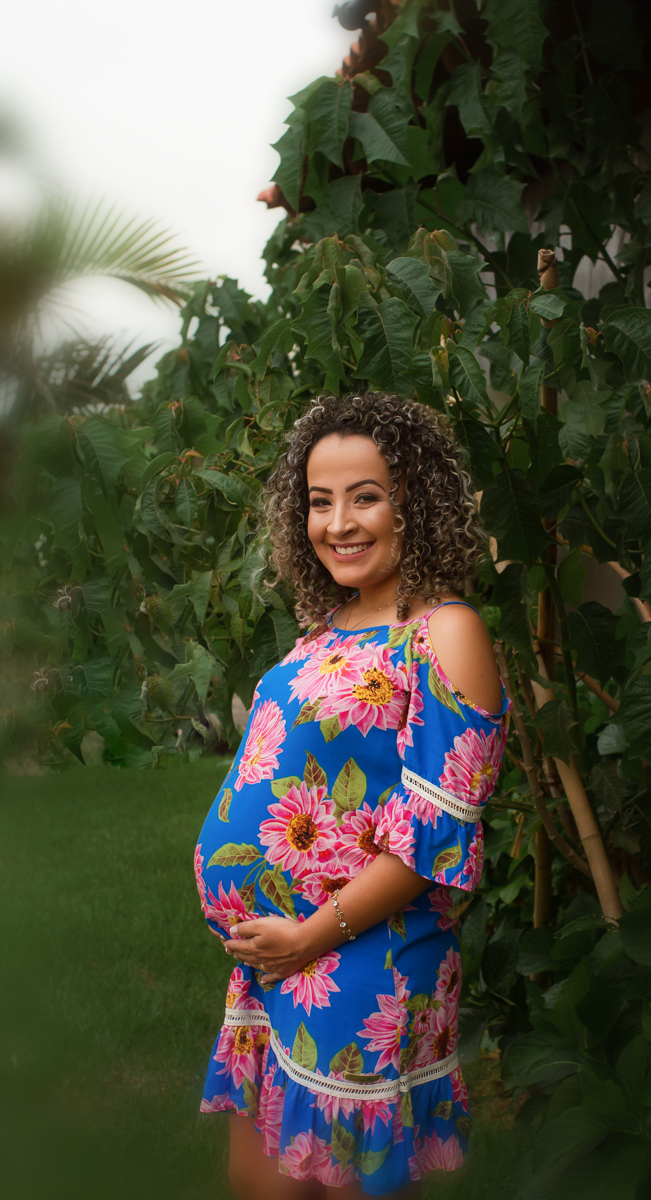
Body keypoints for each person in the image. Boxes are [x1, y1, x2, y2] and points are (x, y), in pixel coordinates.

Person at [194, 391, 509, 1199]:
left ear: (417, 502)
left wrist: (310, 935)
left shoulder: (444, 632)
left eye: (365, 496)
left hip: (362, 966)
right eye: (320, 501)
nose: (339, 523)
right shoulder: (327, 629)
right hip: (280, 964)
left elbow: (435, 833)